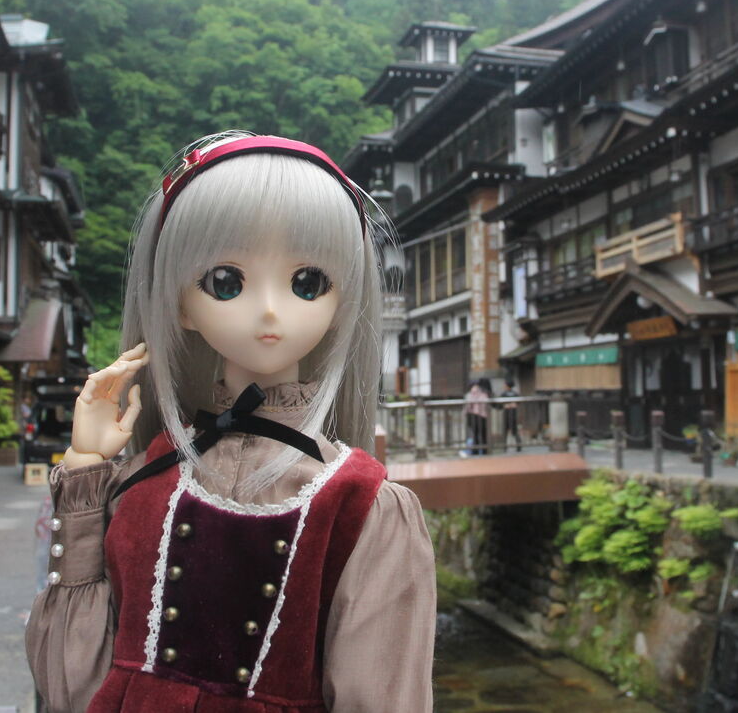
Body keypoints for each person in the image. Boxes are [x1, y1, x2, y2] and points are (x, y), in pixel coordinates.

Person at [25, 133, 436, 712]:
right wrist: (86, 468)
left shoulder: (361, 504)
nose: (269, 310)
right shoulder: (140, 484)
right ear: (180, 304)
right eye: (226, 282)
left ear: (344, 300)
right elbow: (71, 683)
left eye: (307, 282)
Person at [463, 379, 490, 456]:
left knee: (475, 434)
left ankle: (475, 451)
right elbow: (485, 403)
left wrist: (465, 413)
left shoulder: (469, 395)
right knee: (483, 434)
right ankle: (485, 451)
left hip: (472, 416)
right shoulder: (483, 393)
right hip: (482, 416)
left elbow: (467, 406)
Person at [501, 379, 521, 453]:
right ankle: (518, 446)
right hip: (511, 413)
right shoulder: (514, 393)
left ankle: (505, 447)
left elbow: (517, 402)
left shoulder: (505, 394)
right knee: (513, 431)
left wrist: (508, 405)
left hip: (510, 413)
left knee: (510, 430)